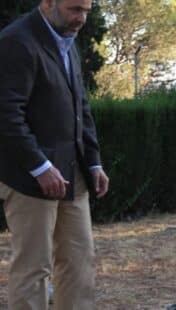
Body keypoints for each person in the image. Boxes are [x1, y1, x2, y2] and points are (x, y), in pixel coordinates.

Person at [0, 0, 109, 309]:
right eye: (75, 9)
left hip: (74, 175)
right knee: (33, 269)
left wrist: (94, 161)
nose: (82, 19)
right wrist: (39, 166)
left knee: (79, 264)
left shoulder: (67, 41)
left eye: (87, 10)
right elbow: (6, 115)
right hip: (27, 178)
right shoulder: (16, 41)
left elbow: (80, 108)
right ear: (48, 3)